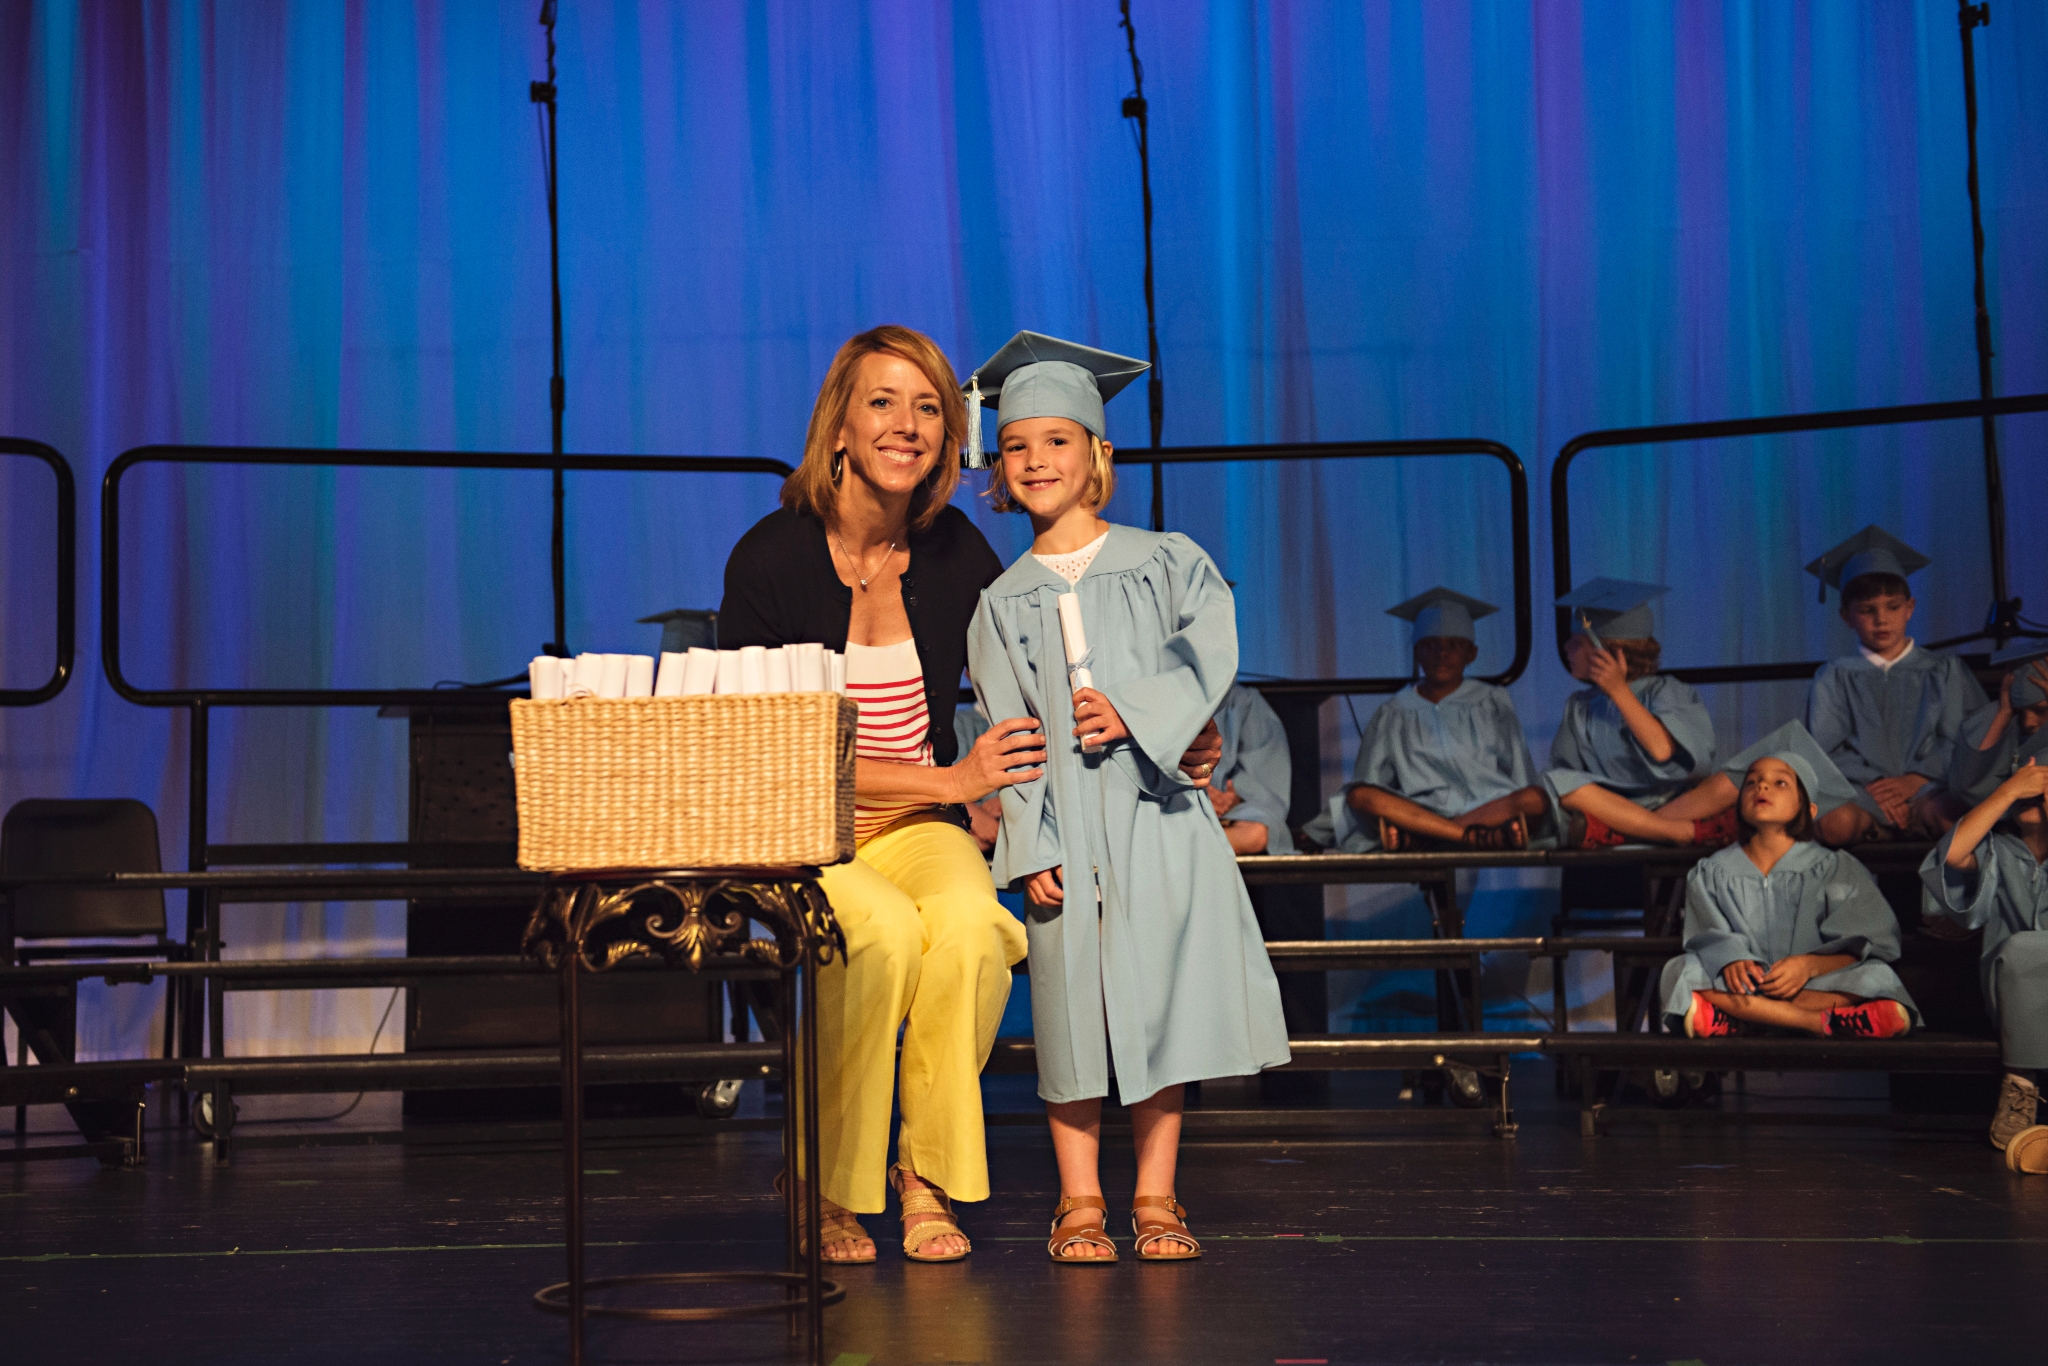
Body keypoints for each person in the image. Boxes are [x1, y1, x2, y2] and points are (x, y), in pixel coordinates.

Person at [964, 331, 1289, 1264]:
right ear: (999, 467)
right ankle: (1077, 1201)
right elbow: (1009, 736)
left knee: (1161, 1007)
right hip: (1065, 828)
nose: (1036, 460)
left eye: (1057, 441)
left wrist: (1140, 713)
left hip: (1159, 817)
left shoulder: (1167, 560)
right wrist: (1031, 846)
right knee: (1070, 1009)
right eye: (1016, 445)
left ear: (1098, 453)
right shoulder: (1000, 602)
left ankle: (1155, 1195)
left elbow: (1207, 651)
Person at [1659, 752, 1917, 1039]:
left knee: (1877, 975)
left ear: (1808, 808)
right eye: (1751, 782)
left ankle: (1744, 1019)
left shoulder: (1833, 867)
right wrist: (1730, 959)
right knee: (1680, 970)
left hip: (1810, 985)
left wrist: (1809, 966)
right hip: (1743, 985)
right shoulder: (1712, 871)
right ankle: (1818, 1022)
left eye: (1780, 783)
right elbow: (1707, 935)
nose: (1762, 786)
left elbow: (1864, 942)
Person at [1321, 587, 1539, 851]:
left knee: (1535, 797)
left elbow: (1519, 770)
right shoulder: (1394, 712)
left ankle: (1429, 838)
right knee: (1359, 795)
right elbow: (1371, 780)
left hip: (1488, 807)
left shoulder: (1491, 702)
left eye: (1454, 645)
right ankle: (1469, 836)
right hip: (1420, 810)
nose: (1441, 654)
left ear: (1471, 654)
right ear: (1416, 653)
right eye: (1430, 645)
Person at [1805, 526, 1985, 844]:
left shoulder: (1943, 670)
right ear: (1846, 616)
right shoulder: (1835, 676)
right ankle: (1867, 849)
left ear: (1909, 608)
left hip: (1931, 787)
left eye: (1892, 606)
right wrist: (1878, 787)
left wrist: (1916, 779)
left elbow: (1966, 738)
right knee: (1834, 824)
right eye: (1867, 610)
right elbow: (1826, 749)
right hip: (1863, 793)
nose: (1881, 619)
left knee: (1957, 820)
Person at [1920, 752, 2048, 1171]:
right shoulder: (1999, 853)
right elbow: (1952, 857)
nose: (2036, 794)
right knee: (2022, 948)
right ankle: (2020, 1083)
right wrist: (2008, 790)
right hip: (2015, 1002)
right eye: (2028, 788)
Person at [1543, 579, 1723, 846]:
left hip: (1675, 805)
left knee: (1732, 781)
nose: (1566, 647)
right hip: (1612, 808)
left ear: (1607, 653)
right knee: (1557, 782)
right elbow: (1566, 777)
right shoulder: (1580, 706)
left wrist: (1619, 692)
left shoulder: (1666, 691)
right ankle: (1658, 830)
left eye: (1577, 642)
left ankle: (1629, 831)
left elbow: (1662, 750)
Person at [1947, 642, 2048, 809]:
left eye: (2040, 710)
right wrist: (2004, 713)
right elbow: (1967, 789)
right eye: (2020, 711)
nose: (2028, 722)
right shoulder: (2006, 724)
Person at [1209, 680, 1297, 855]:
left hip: (1223, 816)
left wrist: (1233, 798)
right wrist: (1195, 795)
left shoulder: (1242, 700)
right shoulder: (1158, 694)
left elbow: (1268, 787)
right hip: (1163, 810)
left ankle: (1187, 851)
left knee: (1255, 834)